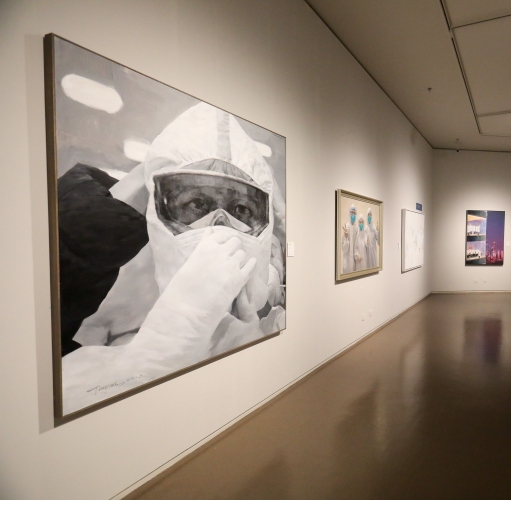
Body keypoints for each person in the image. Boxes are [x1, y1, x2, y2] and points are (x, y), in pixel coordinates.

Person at [61, 102, 286, 414]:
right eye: (196, 204)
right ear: (157, 211)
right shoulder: (113, 308)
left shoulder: (269, 325)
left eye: (241, 210)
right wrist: (163, 345)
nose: (219, 228)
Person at [342, 204, 357, 273]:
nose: (353, 214)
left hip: (354, 261)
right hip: (347, 261)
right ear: (349, 213)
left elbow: (356, 246)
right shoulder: (346, 226)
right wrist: (346, 238)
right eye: (351, 212)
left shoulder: (356, 228)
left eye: (354, 213)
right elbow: (343, 249)